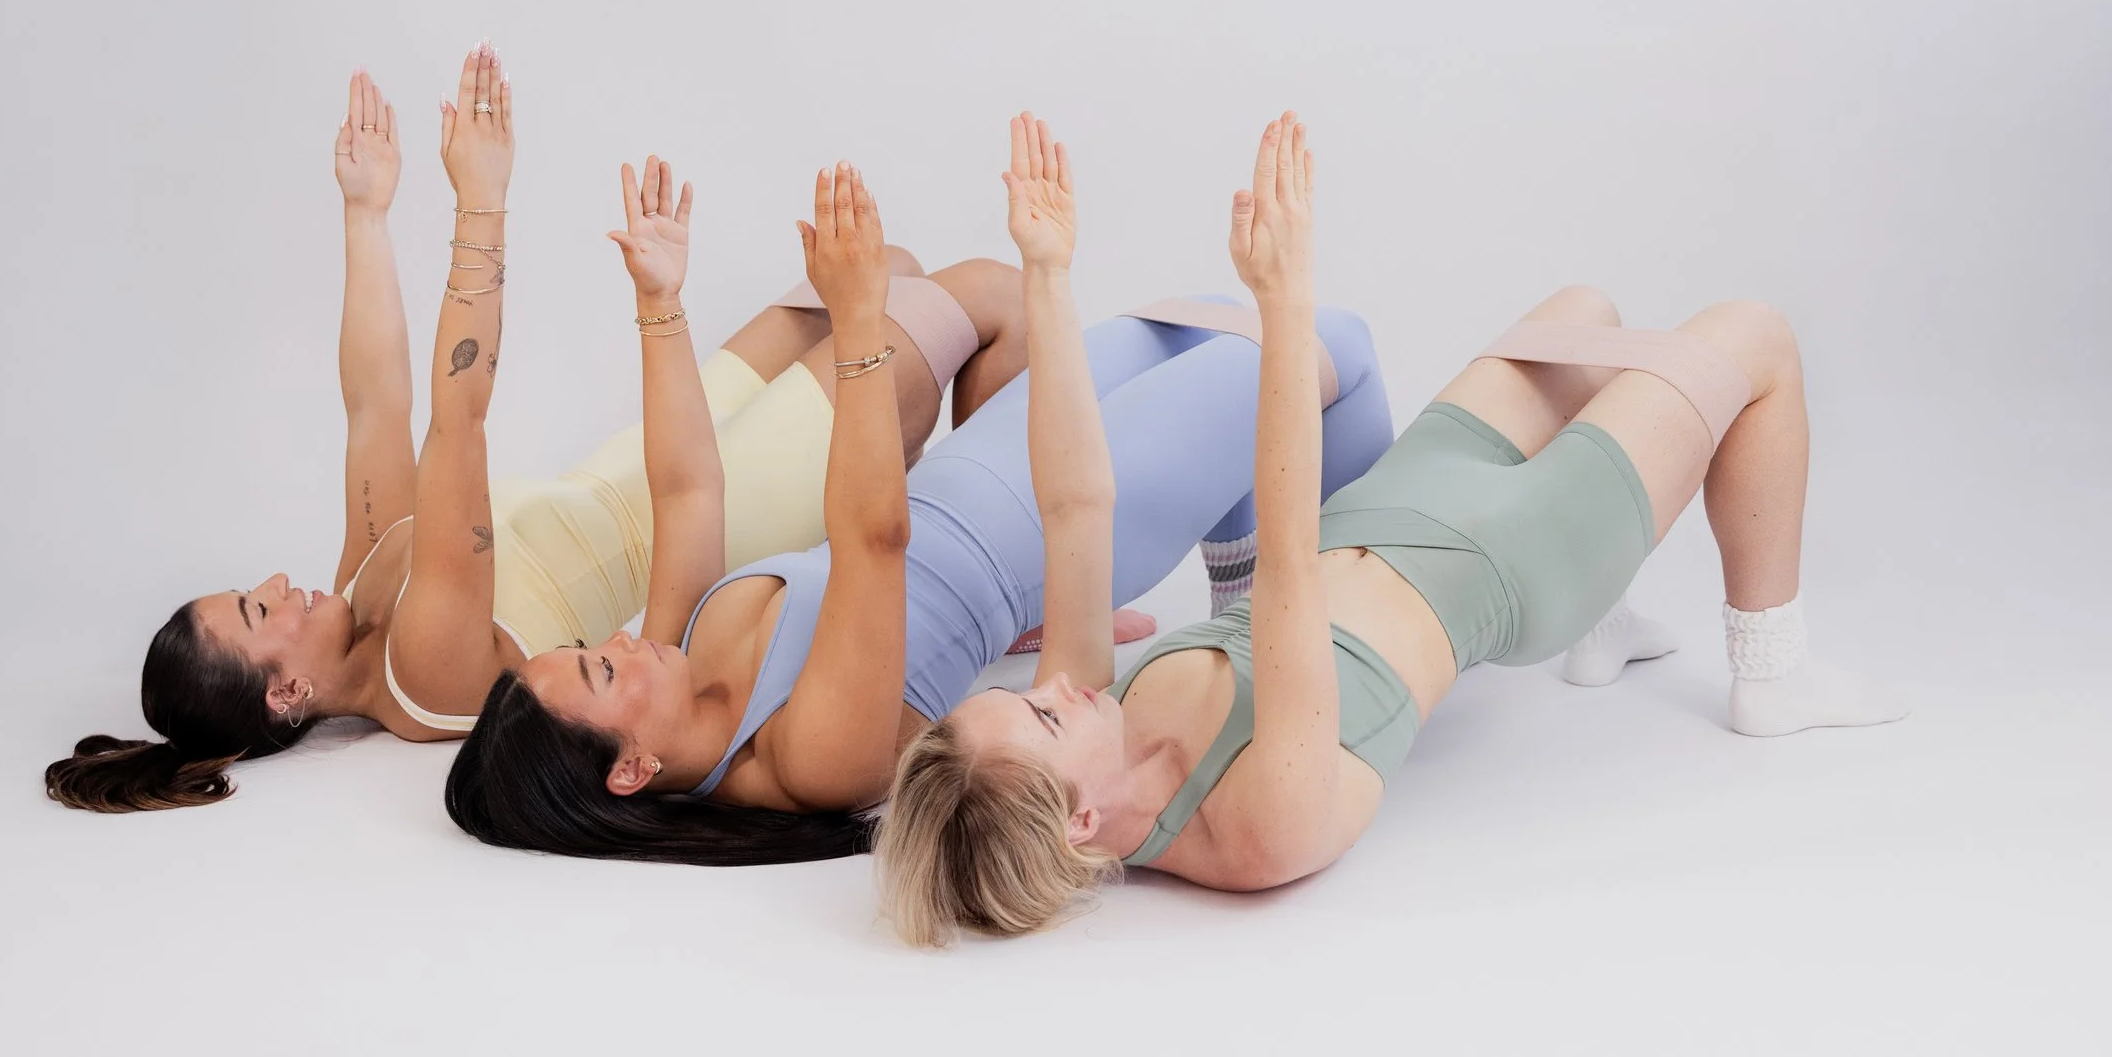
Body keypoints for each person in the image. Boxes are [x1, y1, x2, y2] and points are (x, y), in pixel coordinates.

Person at [876, 113, 1909, 944]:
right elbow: (1283, 557)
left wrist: (1047, 273)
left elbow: (1074, 504)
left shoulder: (1092, 723)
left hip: (1405, 496)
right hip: (1510, 553)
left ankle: (1614, 623)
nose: (1051, 684)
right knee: (1758, 340)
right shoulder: (1257, 827)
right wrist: (1283, 303)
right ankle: (1771, 669)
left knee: (1584, 310)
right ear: (1079, 822)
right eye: (1044, 717)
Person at [45, 48, 1024, 813]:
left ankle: (941, 520)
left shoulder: (356, 578)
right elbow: (455, 421)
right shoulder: (423, 669)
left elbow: (376, 401)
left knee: (888, 263)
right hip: (712, 505)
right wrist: (481, 202)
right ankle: (1025, 577)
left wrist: (367, 214)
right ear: (286, 692)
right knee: (989, 295)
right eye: (258, 614)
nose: (269, 584)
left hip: (644, 460)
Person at [442, 114, 1396, 864]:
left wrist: (661, 303)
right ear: (635, 770)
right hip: (1053, 523)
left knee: (1218, 320)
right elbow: (872, 540)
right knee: (1332, 347)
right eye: (603, 672)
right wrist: (857, 327)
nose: (616, 641)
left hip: (982, 460)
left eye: (584, 647)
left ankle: (1245, 581)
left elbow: (688, 489)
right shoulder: (807, 762)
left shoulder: (672, 650)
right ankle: (1327, 645)